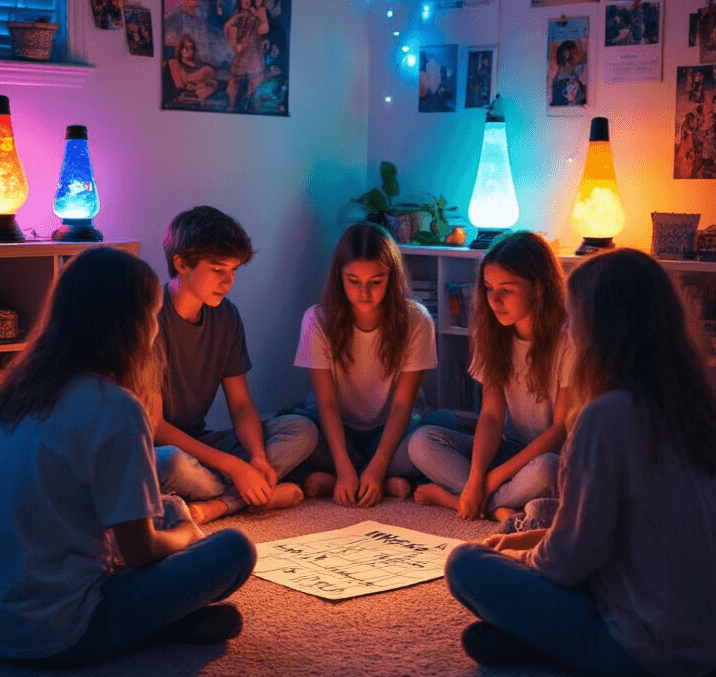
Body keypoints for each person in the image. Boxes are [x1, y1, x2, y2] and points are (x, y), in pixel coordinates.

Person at [446, 248, 716, 677]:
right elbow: (626, 532)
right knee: (531, 525)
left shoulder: (606, 416)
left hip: (642, 647)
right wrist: (527, 542)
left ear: (601, 329)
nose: (568, 329)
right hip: (706, 644)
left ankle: (544, 644)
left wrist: (523, 558)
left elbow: (571, 562)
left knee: (465, 563)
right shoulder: (695, 407)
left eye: (573, 319)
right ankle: (534, 638)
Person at [0, 248, 256, 666]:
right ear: (129, 325)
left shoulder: (13, 395)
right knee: (234, 549)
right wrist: (183, 532)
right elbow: (139, 551)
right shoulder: (116, 408)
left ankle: (166, 622)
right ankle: (157, 628)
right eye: (152, 317)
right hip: (64, 629)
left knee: (162, 502)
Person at [154, 206, 317, 522]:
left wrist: (255, 458)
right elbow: (156, 426)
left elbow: (241, 404)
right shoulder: (150, 320)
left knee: (302, 430)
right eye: (217, 270)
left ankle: (220, 502)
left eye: (234, 270)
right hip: (160, 450)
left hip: (202, 445)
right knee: (173, 464)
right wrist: (233, 466)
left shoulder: (226, 315)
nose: (228, 281)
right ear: (182, 263)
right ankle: (248, 495)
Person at [410, 231, 572, 520]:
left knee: (547, 469)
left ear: (538, 288)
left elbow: (559, 431)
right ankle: (494, 504)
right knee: (421, 441)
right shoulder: (494, 335)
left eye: (507, 290)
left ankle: (456, 501)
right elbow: (492, 417)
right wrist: (476, 476)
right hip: (508, 449)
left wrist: (494, 477)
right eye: (488, 288)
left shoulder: (568, 340)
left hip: (550, 456)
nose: (495, 300)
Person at [293, 223, 437, 506]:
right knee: (299, 432)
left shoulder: (416, 320)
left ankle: (349, 477)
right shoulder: (317, 320)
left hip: (392, 430)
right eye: (353, 281)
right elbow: (327, 403)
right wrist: (343, 462)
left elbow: (402, 406)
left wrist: (379, 465)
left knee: (430, 437)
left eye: (375, 282)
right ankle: (363, 478)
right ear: (339, 277)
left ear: (391, 279)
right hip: (336, 429)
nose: (364, 293)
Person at [223, 0, 264, 111]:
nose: (246, 1)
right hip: (241, 54)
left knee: (255, 81)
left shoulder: (254, 13)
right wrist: (235, 45)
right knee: (235, 81)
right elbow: (229, 30)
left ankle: (253, 105)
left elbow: (262, 27)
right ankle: (231, 105)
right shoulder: (238, 15)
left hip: (253, 53)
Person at [166, 33, 218, 102]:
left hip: (205, 91)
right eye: (186, 48)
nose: (189, 51)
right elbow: (179, 85)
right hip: (188, 96)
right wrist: (197, 87)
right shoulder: (174, 63)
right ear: (180, 50)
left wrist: (198, 86)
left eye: (192, 48)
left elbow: (212, 82)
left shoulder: (199, 64)